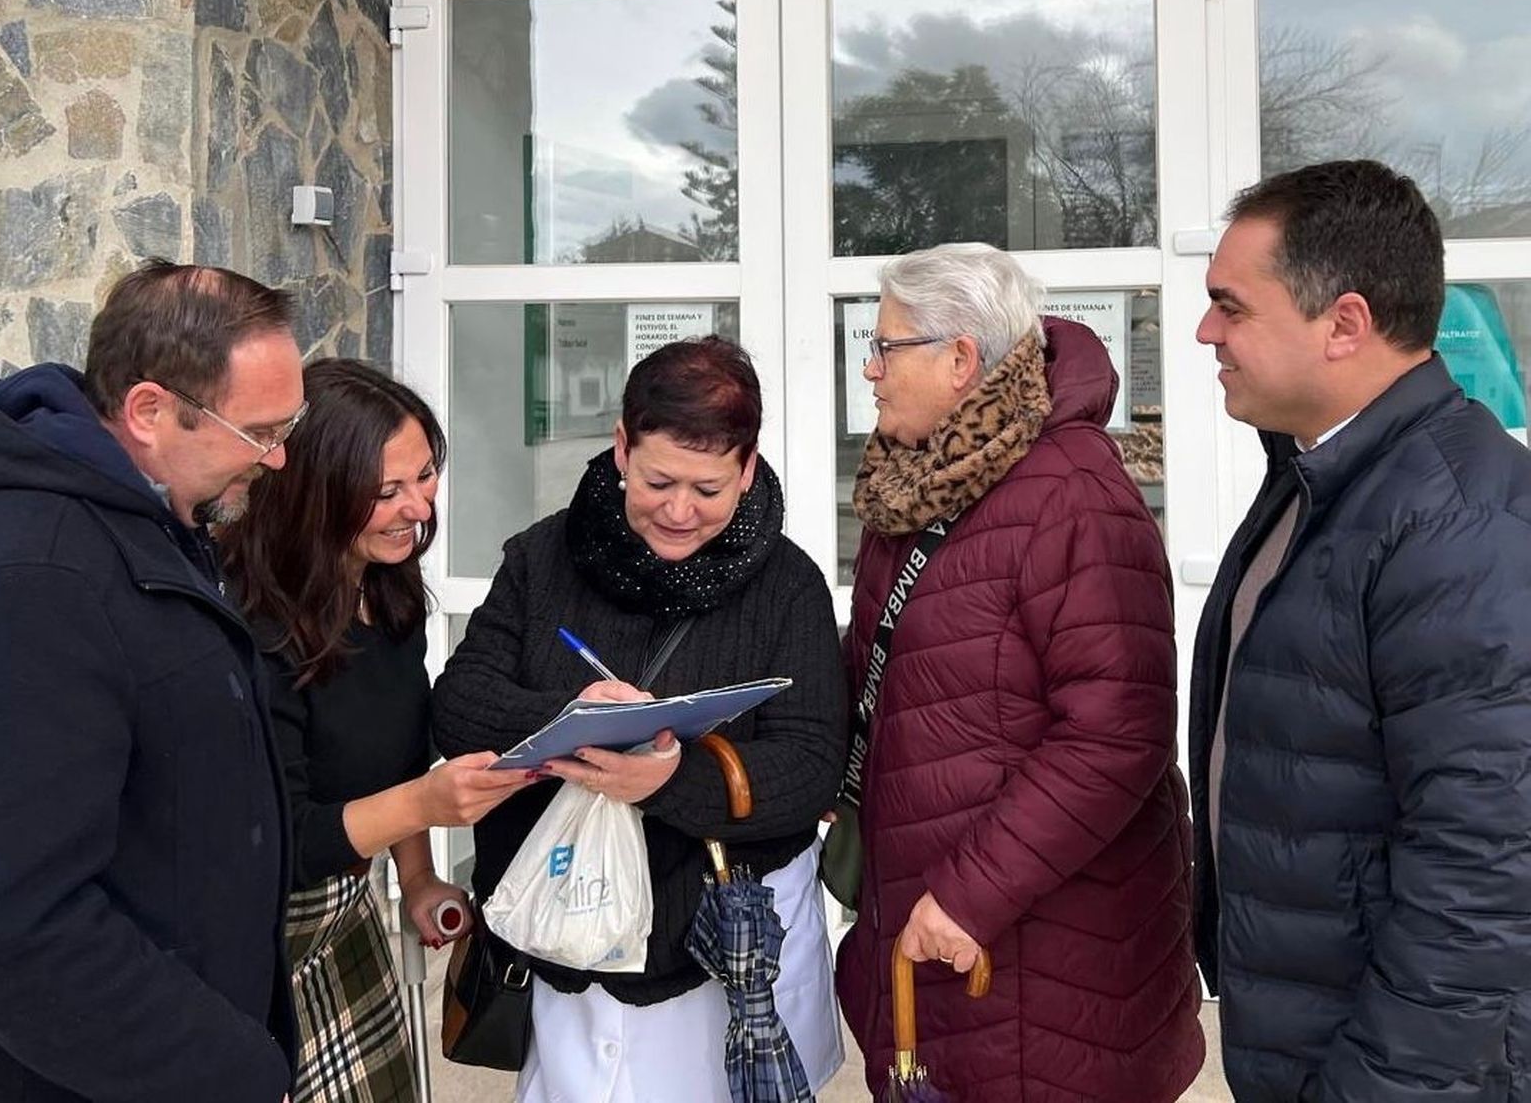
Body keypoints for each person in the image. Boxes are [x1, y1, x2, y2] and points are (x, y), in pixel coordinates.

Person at [1190, 160, 1531, 1103]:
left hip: (1401, 1067)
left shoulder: (1459, 524)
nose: (1204, 331)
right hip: (1309, 1025)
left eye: (1232, 306)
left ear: (1344, 323)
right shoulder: (1321, 479)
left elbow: (1487, 878)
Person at [835, 242, 1204, 1103]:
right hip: (951, 945)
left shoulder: (1072, 494)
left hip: (1042, 957)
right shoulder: (925, 481)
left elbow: (1118, 733)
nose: (870, 370)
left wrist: (968, 896)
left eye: (886, 348)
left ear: (960, 359)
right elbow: (895, 666)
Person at [433, 336, 848, 1103]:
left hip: (724, 950)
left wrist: (666, 779)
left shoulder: (789, 585)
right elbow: (458, 708)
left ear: (748, 468)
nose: (681, 511)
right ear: (621, 446)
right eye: (658, 480)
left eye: (709, 488)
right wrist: (570, 715)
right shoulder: (542, 557)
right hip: (568, 945)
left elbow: (812, 761)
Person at [0, 261, 305, 1102]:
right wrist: (227, 1072)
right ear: (148, 412)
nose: (278, 459)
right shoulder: (37, 574)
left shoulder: (146, 518)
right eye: (260, 431)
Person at [221, 358, 539, 1103]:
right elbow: (285, 840)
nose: (418, 508)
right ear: (313, 492)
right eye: (385, 491)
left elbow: (393, 760)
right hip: (261, 941)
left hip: (351, 913)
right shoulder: (252, 626)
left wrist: (420, 877)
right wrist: (428, 805)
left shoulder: (388, 592)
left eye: (425, 475)